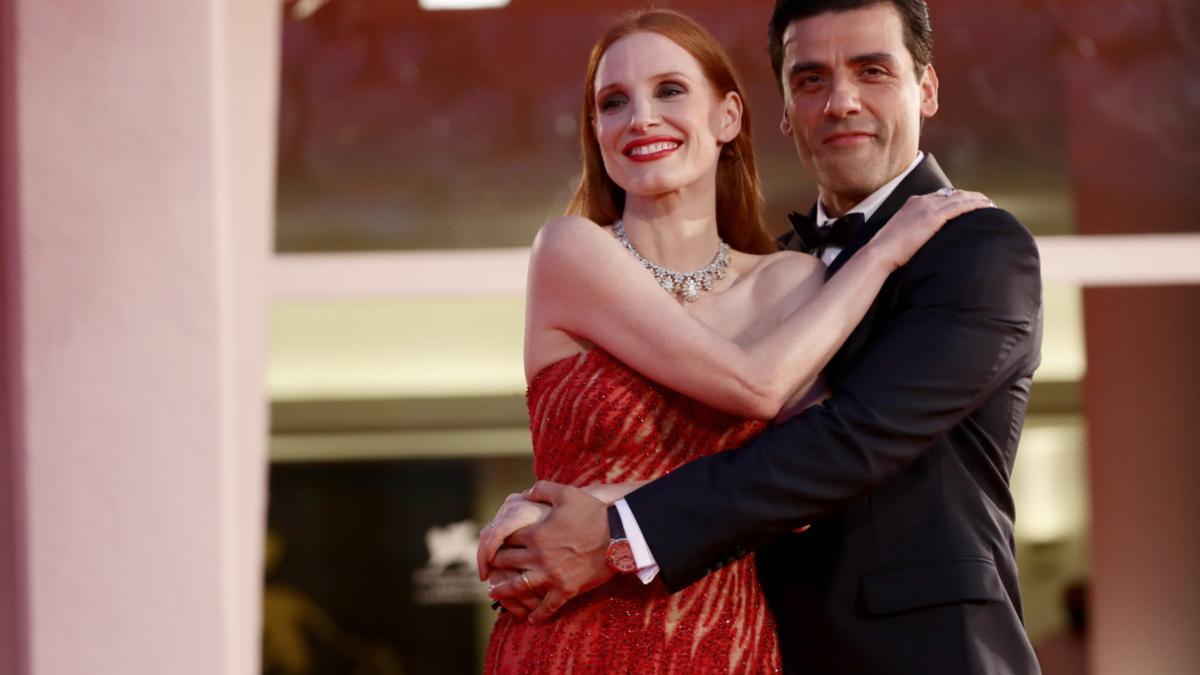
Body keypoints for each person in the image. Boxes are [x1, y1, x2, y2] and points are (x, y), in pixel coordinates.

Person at [482, 1, 1044, 673]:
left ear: (924, 89)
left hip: (919, 654)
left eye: (871, 70)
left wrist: (612, 522)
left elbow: (847, 439)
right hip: (756, 641)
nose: (840, 101)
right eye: (810, 79)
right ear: (781, 108)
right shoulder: (786, 272)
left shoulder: (974, 246)